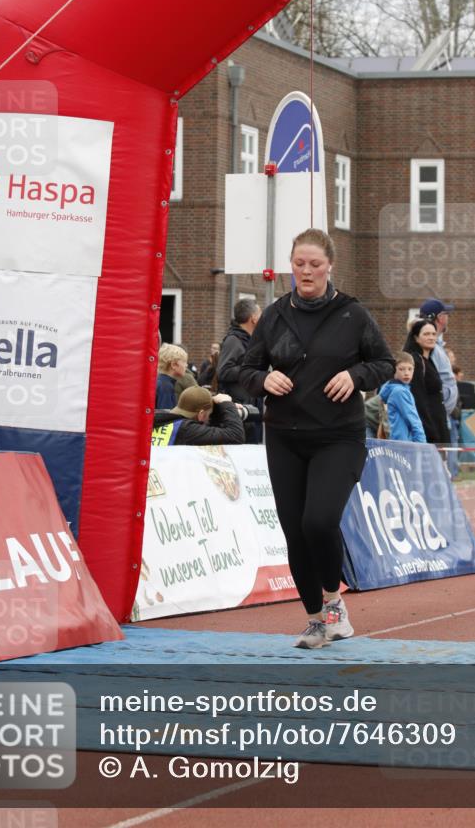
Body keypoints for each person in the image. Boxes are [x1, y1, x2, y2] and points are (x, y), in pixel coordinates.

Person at [239, 228, 394, 649]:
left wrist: (356, 375)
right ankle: (315, 619)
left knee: (319, 521)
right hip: (285, 436)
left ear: (330, 266)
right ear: (291, 266)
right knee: (294, 531)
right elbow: (239, 372)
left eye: (315, 264)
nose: (306, 272)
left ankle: (333, 602)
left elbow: (384, 362)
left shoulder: (353, 314)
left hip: (338, 436)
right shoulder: (273, 316)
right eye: (299, 264)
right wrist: (263, 377)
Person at [218, 298, 263, 442]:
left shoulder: (249, 340)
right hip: (240, 410)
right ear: (253, 318)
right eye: (260, 314)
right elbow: (223, 371)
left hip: (251, 407)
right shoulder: (234, 340)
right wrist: (248, 369)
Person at [403, 320, 450, 444]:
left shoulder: (429, 361)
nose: (431, 337)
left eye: (434, 334)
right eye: (426, 334)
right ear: (416, 338)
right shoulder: (415, 361)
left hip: (438, 424)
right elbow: (418, 398)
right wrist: (430, 431)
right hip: (428, 430)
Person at [151, 386, 245, 446]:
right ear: (201, 414)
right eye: (209, 415)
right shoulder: (187, 430)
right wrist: (227, 405)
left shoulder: (155, 419)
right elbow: (235, 435)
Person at [379, 352, 427, 443]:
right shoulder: (400, 392)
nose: (406, 373)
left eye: (410, 369)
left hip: (397, 442)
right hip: (405, 445)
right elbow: (414, 421)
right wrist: (422, 445)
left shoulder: (393, 389)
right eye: (401, 369)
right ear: (394, 370)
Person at [155, 343, 188, 409]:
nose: (186, 365)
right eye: (184, 362)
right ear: (174, 365)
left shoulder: (160, 381)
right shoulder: (166, 386)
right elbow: (167, 415)